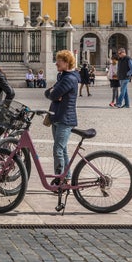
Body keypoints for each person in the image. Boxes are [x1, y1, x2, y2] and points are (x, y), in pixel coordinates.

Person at [44, 50, 79, 183]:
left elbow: (52, 95)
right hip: (57, 117)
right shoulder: (62, 77)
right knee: (62, 149)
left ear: (66, 62)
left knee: (58, 149)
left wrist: (53, 94)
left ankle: (60, 179)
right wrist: (53, 93)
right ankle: (66, 177)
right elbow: (48, 92)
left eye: (59, 61)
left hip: (65, 118)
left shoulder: (69, 79)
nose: (56, 63)